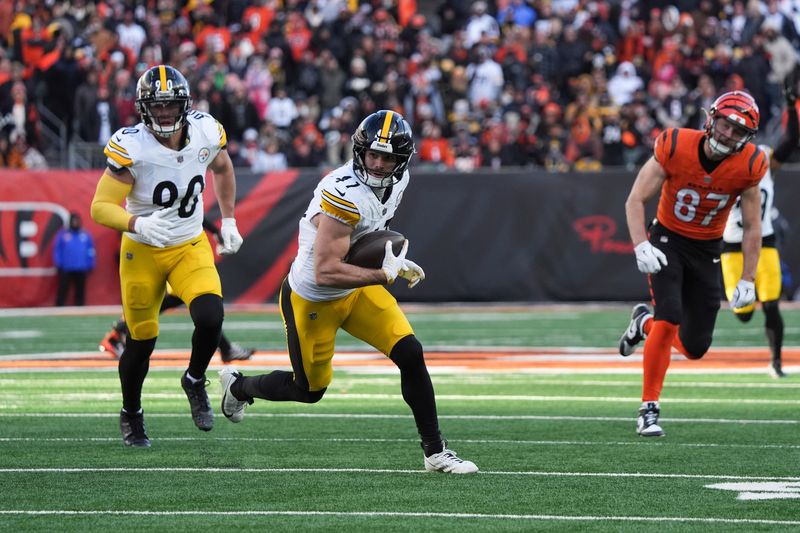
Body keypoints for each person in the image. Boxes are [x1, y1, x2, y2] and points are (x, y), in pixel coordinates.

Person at [217, 110, 478, 474]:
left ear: (401, 160)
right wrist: (383, 275)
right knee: (309, 389)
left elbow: (370, 235)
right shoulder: (342, 192)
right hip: (314, 297)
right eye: (372, 154)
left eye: (387, 158)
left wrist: (391, 263)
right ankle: (240, 387)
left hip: (354, 290)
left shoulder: (397, 181)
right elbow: (326, 271)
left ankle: (435, 452)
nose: (378, 163)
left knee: (410, 352)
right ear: (358, 151)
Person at [90, 65, 243, 448]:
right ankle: (131, 413)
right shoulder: (133, 146)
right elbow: (99, 206)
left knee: (211, 316)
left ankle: (194, 379)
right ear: (143, 108)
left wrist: (228, 219)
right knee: (142, 342)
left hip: (189, 244)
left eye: (170, 105)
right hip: (143, 250)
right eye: (155, 106)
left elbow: (222, 167)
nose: (163, 113)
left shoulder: (206, 131)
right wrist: (136, 225)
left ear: (184, 105)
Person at [618, 90, 768, 437]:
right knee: (669, 315)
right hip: (668, 240)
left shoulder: (749, 164)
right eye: (724, 124)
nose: (728, 134)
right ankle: (648, 409)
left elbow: (753, 226)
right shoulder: (675, 144)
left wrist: (748, 278)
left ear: (747, 138)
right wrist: (641, 244)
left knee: (696, 347)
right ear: (710, 117)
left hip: (707, 251)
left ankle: (643, 325)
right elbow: (636, 199)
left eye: (738, 130)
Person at [720, 77, 799, 379]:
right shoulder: (720, 157)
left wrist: (791, 107)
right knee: (742, 312)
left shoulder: (763, 156)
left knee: (772, 304)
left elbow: (791, 141)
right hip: (731, 243)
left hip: (763, 240)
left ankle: (776, 362)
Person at [99, 218, 256, 363]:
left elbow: (189, 207)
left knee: (196, 302)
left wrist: (214, 230)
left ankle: (226, 348)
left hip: (175, 249)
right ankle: (118, 332)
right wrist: (215, 230)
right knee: (181, 301)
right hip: (160, 250)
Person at [53, 212, 96, 306]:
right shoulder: (63, 235)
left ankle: (80, 307)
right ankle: (59, 307)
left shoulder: (85, 235)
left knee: (80, 289)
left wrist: (91, 263)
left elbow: (91, 250)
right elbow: (57, 250)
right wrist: (58, 263)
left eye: (77, 221)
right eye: (73, 221)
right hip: (66, 267)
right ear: (70, 222)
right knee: (63, 288)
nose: (75, 223)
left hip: (81, 267)